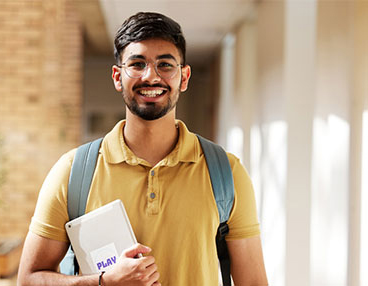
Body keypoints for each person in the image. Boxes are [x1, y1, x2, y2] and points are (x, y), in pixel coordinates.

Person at [17, 12, 268, 286]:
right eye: (137, 64)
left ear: (184, 78)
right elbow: (28, 279)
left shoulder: (226, 173)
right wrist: (103, 282)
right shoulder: (72, 172)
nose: (151, 76)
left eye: (165, 65)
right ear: (117, 76)